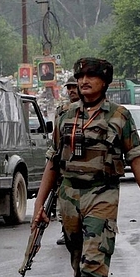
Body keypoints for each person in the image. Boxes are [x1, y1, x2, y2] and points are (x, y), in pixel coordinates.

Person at [32, 58, 140, 277]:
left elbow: (137, 159)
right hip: (69, 196)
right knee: (80, 265)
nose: (84, 80)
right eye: (80, 76)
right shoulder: (64, 114)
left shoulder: (119, 116)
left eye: (91, 76)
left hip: (102, 194)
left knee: (94, 261)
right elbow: (53, 161)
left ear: (105, 82)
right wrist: (39, 205)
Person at [54, 76, 80, 246]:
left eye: (73, 87)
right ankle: (66, 231)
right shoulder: (62, 110)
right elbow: (56, 138)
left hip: (83, 162)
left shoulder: (89, 108)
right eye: (68, 88)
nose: (71, 91)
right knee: (63, 201)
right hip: (64, 161)